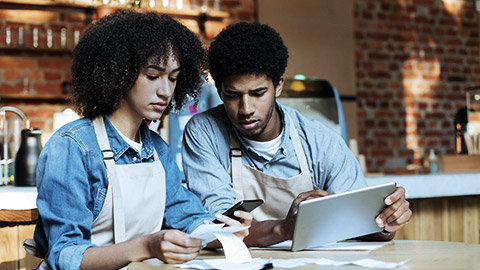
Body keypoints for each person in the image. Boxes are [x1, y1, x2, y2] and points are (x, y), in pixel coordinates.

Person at [30, 11, 251, 270]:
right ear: (118, 73)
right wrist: (146, 246)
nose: (166, 91)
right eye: (153, 76)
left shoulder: (157, 149)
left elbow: (187, 218)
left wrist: (220, 233)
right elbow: (65, 255)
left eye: (173, 78)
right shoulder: (73, 146)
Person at [182, 22, 412, 247]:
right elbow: (219, 228)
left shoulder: (320, 141)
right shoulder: (205, 132)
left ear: (278, 86)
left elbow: (361, 223)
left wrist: (387, 221)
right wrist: (285, 228)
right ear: (220, 91)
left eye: (258, 93)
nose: (246, 109)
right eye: (233, 95)